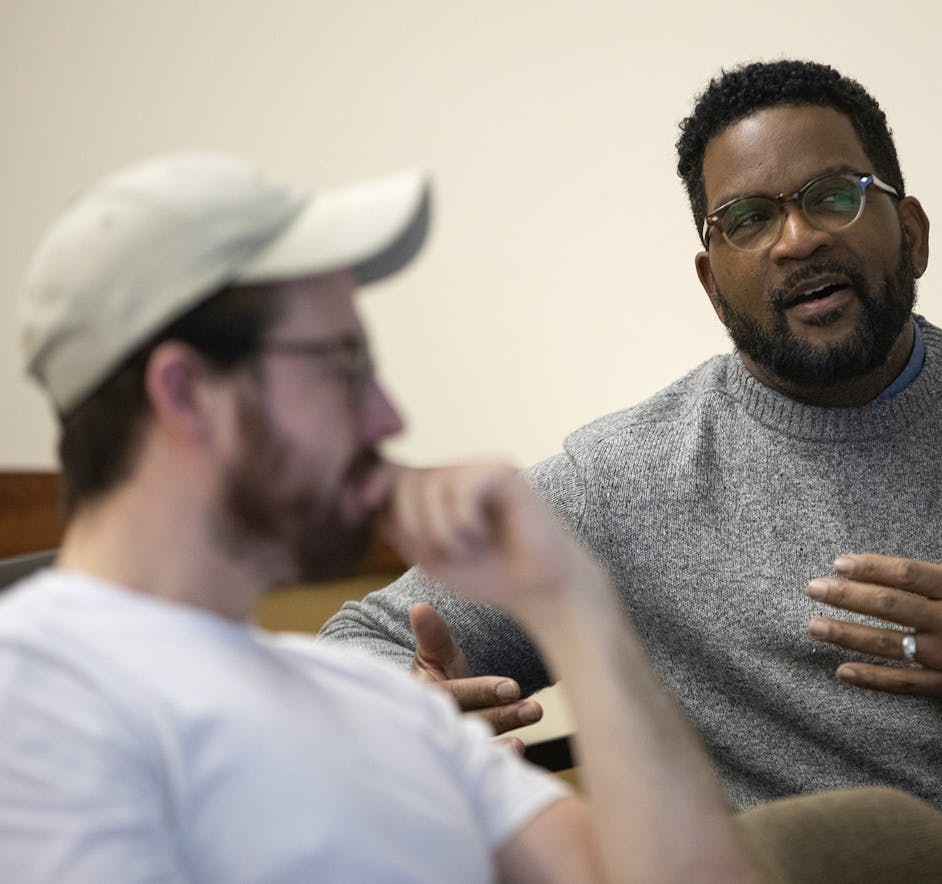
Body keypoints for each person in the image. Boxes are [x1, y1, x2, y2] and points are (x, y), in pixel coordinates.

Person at [321, 59, 942, 873]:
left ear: (910, 231)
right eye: (748, 220)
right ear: (712, 282)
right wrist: (402, 709)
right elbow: (362, 642)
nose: (796, 240)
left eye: (833, 196)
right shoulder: (618, 481)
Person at [0, 152, 762, 883]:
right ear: (187, 394)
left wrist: (572, 604)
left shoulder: (375, 702)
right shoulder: (36, 697)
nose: (386, 417)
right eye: (342, 368)